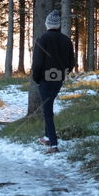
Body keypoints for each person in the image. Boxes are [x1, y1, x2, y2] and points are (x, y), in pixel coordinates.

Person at [31, 9, 75, 153]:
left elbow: (37, 63)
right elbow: (71, 63)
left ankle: (54, 145)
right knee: (48, 108)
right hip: (58, 79)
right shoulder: (66, 40)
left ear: (47, 24)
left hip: (45, 79)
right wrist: (63, 74)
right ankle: (48, 137)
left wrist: (36, 78)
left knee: (47, 111)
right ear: (58, 25)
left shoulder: (43, 38)